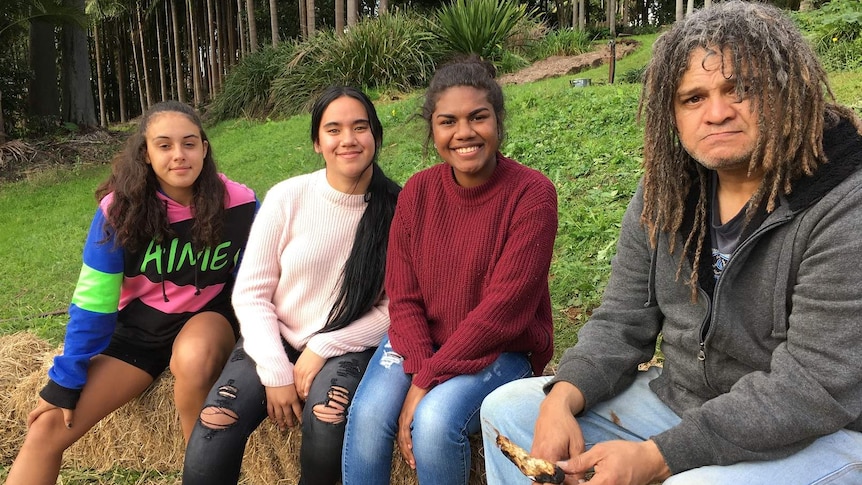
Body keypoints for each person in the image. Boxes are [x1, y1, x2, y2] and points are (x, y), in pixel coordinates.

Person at [481, 2, 862, 484]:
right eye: (693, 98)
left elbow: (812, 386)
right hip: (685, 403)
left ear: (787, 92)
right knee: (508, 409)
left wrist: (660, 457)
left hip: (822, 431)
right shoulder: (666, 193)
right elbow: (622, 319)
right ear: (673, 114)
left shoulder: (844, 201)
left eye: (740, 89)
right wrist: (563, 394)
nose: (718, 113)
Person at [6, 101, 258, 485]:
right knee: (46, 430)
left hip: (206, 316)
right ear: (145, 153)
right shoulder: (119, 211)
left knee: (193, 359)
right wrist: (66, 379)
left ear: (205, 149)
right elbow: (94, 301)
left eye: (189, 144)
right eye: (164, 145)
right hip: (138, 333)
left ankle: (203, 474)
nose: (179, 155)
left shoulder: (239, 203)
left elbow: (255, 278)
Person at [341, 56, 559, 485]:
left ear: (498, 122)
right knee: (367, 417)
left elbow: (503, 312)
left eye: (478, 117)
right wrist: (424, 367)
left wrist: (424, 386)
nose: (464, 133)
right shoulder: (418, 192)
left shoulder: (532, 194)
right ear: (433, 129)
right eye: (448, 121)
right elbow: (402, 295)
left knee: (436, 421)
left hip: (502, 348)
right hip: (422, 340)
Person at [182, 86, 401, 485]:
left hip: (346, 342)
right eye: (333, 130)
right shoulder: (288, 197)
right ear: (317, 142)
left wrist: (323, 347)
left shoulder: (398, 210)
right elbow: (250, 293)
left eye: (360, 127)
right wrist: (276, 371)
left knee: (327, 420)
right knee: (216, 423)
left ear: (376, 136)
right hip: (276, 337)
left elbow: (395, 309)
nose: (348, 139)